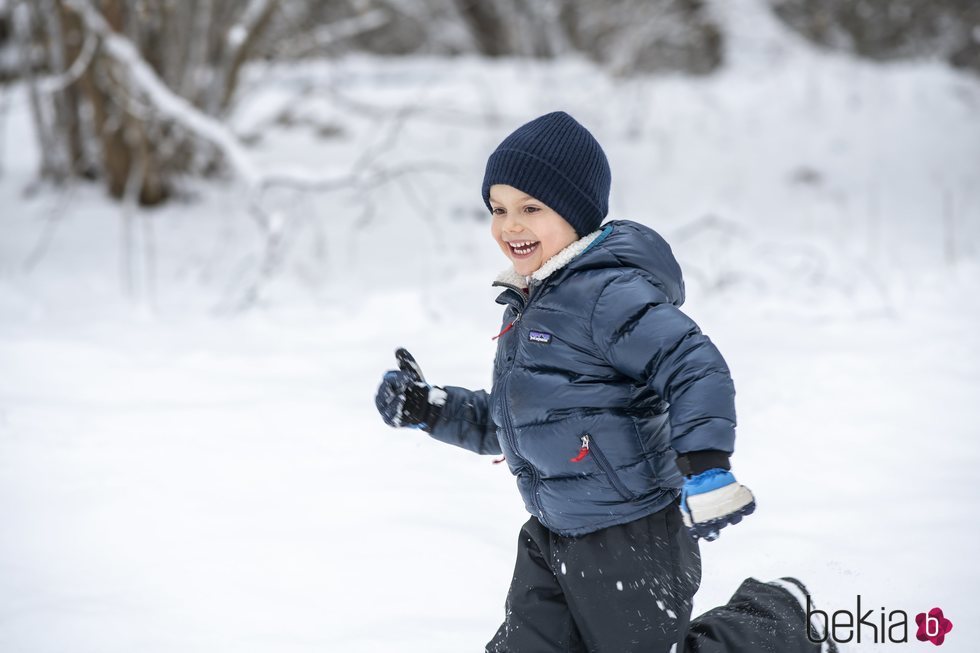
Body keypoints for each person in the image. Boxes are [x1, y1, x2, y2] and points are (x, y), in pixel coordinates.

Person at [375, 111, 836, 653]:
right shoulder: (530, 303)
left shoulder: (606, 295)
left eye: (531, 208)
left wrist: (706, 462)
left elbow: (693, 364)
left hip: (631, 533)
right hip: (552, 532)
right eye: (498, 209)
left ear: (576, 214)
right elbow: (521, 420)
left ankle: (777, 620)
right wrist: (431, 409)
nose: (510, 226)